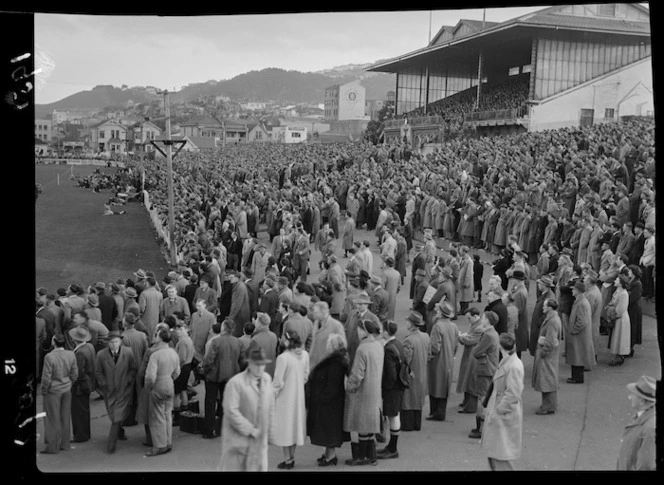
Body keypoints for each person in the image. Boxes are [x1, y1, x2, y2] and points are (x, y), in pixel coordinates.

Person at [219, 340, 275, 472]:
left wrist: (271, 431)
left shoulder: (267, 379)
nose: (260, 368)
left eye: (262, 365)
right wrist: (250, 429)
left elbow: (271, 406)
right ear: (249, 363)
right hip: (238, 443)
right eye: (257, 365)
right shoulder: (235, 383)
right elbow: (231, 411)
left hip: (260, 442)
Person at [481, 333, 524, 471]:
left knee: (500, 456)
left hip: (503, 415)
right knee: (495, 454)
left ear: (501, 347)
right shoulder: (509, 362)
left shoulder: (513, 366)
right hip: (500, 413)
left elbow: (513, 393)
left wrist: (499, 409)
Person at [344, 318, 384, 466]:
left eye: (359, 330)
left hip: (363, 391)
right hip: (374, 390)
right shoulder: (378, 345)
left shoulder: (362, 349)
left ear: (365, 331)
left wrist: (349, 386)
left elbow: (357, 375)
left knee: (360, 424)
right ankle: (371, 455)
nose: (357, 332)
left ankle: (361, 456)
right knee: (370, 425)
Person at [307, 333, 350, 467]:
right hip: (330, 401)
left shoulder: (335, 363)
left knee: (329, 429)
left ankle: (330, 457)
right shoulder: (336, 360)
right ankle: (328, 454)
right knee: (328, 429)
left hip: (329, 402)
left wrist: (321, 398)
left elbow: (332, 386)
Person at [271, 331, 310, 469]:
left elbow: (277, 382)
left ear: (287, 341)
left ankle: (287, 459)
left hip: (284, 397)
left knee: (284, 428)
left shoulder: (283, 358)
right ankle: (291, 457)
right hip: (298, 396)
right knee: (294, 427)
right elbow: (306, 375)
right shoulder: (305, 355)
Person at [95, 330, 138, 453]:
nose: (114, 344)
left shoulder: (128, 352)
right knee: (113, 414)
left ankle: (111, 444)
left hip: (123, 390)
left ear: (120, 342)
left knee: (116, 417)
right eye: (112, 342)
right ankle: (120, 432)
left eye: (116, 341)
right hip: (108, 391)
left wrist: (128, 379)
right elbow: (98, 372)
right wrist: (103, 383)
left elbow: (133, 368)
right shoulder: (101, 355)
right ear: (107, 343)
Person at [201, 318, 243, 439]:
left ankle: (209, 429)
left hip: (214, 375)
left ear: (223, 328)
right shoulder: (238, 342)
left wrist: (206, 370)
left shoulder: (216, 341)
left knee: (210, 402)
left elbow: (208, 359)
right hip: (231, 374)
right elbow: (243, 358)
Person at [144, 326, 180, 457]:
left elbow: (150, 376)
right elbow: (177, 372)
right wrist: (169, 378)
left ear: (159, 338)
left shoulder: (155, 355)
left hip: (158, 385)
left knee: (157, 416)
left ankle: (160, 445)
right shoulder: (173, 353)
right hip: (169, 384)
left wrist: (149, 387)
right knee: (167, 414)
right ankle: (168, 442)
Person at [40, 334, 78, 454]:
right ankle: (65, 444)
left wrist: (44, 390)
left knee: (53, 418)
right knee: (65, 417)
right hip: (66, 388)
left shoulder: (49, 357)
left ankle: (53, 446)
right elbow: (75, 373)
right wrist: (69, 382)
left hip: (53, 390)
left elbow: (46, 378)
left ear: (54, 342)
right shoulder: (71, 354)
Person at [468, 310, 500, 439]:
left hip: (485, 368)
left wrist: (479, 352)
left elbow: (476, 351)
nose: (482, 319)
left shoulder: (487, 335)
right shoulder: (493, 333)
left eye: (484, 317)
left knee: (482, 397)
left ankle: (481, 427)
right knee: (485, 396)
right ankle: (482, 426)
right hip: (490, 367)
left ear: (488, 320)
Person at [426, 302, 459, 422]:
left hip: (437, 361)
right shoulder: (454, 327)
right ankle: (441, 411)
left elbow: (435, 347)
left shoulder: (437, 326)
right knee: (444, 387)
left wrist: (429, 355)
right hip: (449, 360)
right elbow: (456, 346)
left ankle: (434, 412)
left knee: (434, 385)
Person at [377, 320, 406, 459]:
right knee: (395, 416)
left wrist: (384, 389)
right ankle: (391, 446)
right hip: (399, 386)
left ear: (386, 332)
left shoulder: (388, 349)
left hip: (392, 389)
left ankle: (393, 448)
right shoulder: (398, 344)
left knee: (393, 417)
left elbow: (390, 374)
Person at [616, 375, 657, 470]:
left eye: (633, 395)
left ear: (642, 401)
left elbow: (646, 465)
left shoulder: (650, 428)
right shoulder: (641, 416)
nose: (630, 397)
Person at [399, 311, 430, 432]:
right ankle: (417, 424)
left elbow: (406, 360)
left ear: (411, 324)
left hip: (411, 374)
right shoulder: (425, 336)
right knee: (418, 400)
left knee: (408, 400)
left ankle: (407, 425)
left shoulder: (409, 340)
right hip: (422, 373)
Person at [532, 298, 562, 415]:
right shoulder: (553, 319)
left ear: (550, 307)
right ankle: (549, 404)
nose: (543, 307)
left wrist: (542, 352)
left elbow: (550, 341)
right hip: (549, 355)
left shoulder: (552, 321)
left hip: (547, 355)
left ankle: (548, 406)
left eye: (544, 306)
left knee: (547, 380)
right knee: (548, 379)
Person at [120, 312, 149, 426]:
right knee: (139, 393)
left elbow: (122, 356)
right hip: (140, 367)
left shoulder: (123, 336)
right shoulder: (142, 335)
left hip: (129, 369)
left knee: (128, 395)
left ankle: (129, 419)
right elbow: (146, 352)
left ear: (126, 323)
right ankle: (138, 417)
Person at [69, 326, 96, 443]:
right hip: (89, 382)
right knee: (84, 410)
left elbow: (78, 373)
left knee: (77, 411)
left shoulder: (79, 352)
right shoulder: (89, 346)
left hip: (80, 386)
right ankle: (85, 433)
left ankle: (80, 435)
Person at [565, 280, 594, 383]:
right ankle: (576, 377)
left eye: (574, 289)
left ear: (578, 291)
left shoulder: (581, 303)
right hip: (580, 335)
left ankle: (577, 378)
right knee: (578, 356)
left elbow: (581, 322)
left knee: (577, 356)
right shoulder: (581, 301)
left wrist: (573, 330)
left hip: (579, 335)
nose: (572, 291)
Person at [457, 307, 484, 413]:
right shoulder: (476, 325)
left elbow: (469, 340)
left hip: (473, 356)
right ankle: (466, 402)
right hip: (470, 355)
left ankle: (470, 406)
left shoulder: (479, 328)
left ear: (475, 316)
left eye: (469, 318)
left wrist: (460, 337)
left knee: (471, 381)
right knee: (467, 379)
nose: (468, 320)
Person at [309, 301, 346, 373]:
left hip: (327, 366)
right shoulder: (316, 323)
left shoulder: (336, 325)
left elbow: (343, 346)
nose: (313, 314)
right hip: (314, 364)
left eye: (316, 312)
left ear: (323, 312)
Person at [528, 275, 556, 357]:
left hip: (540, 328)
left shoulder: (549, 297)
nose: (538, 285)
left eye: (540, 283)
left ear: (545, 286)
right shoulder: (545, 294)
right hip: (538, 326)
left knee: (538, 351)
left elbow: (548, 314)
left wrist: (539, 323)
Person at [173, 322, 195, 421]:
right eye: (177, 329)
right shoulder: (189, 340)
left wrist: (176, 368)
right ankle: (185, 412)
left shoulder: (182, 342)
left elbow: (181, 357)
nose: (179, 331)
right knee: (183, 390)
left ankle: (177, 416)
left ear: (186, 330)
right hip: (188, 366)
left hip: (182, 367)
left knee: (177, 393)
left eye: (181, 329)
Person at [608, 274, 631, 366]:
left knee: (620, 337)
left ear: (621, 283)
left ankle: (619, 357)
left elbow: (620, 309)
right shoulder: (618, 291)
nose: (615, 281)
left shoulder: (623, 294)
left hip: (621, 319)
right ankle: (617, 356)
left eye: (617, 280)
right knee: (617, 337)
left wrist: (612, 315)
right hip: (618, 318)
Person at [251, 312, 279, 378]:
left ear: (259, 323)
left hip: (259, 372)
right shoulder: (274, 336)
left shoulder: (255, 339)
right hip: (272, 370)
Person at [509, 270, 529, 359]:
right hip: (520, 322)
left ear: (516, 280)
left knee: (517, 346)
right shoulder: (519, 289)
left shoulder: (520, 292)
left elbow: (518, 310)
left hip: (519, 323)